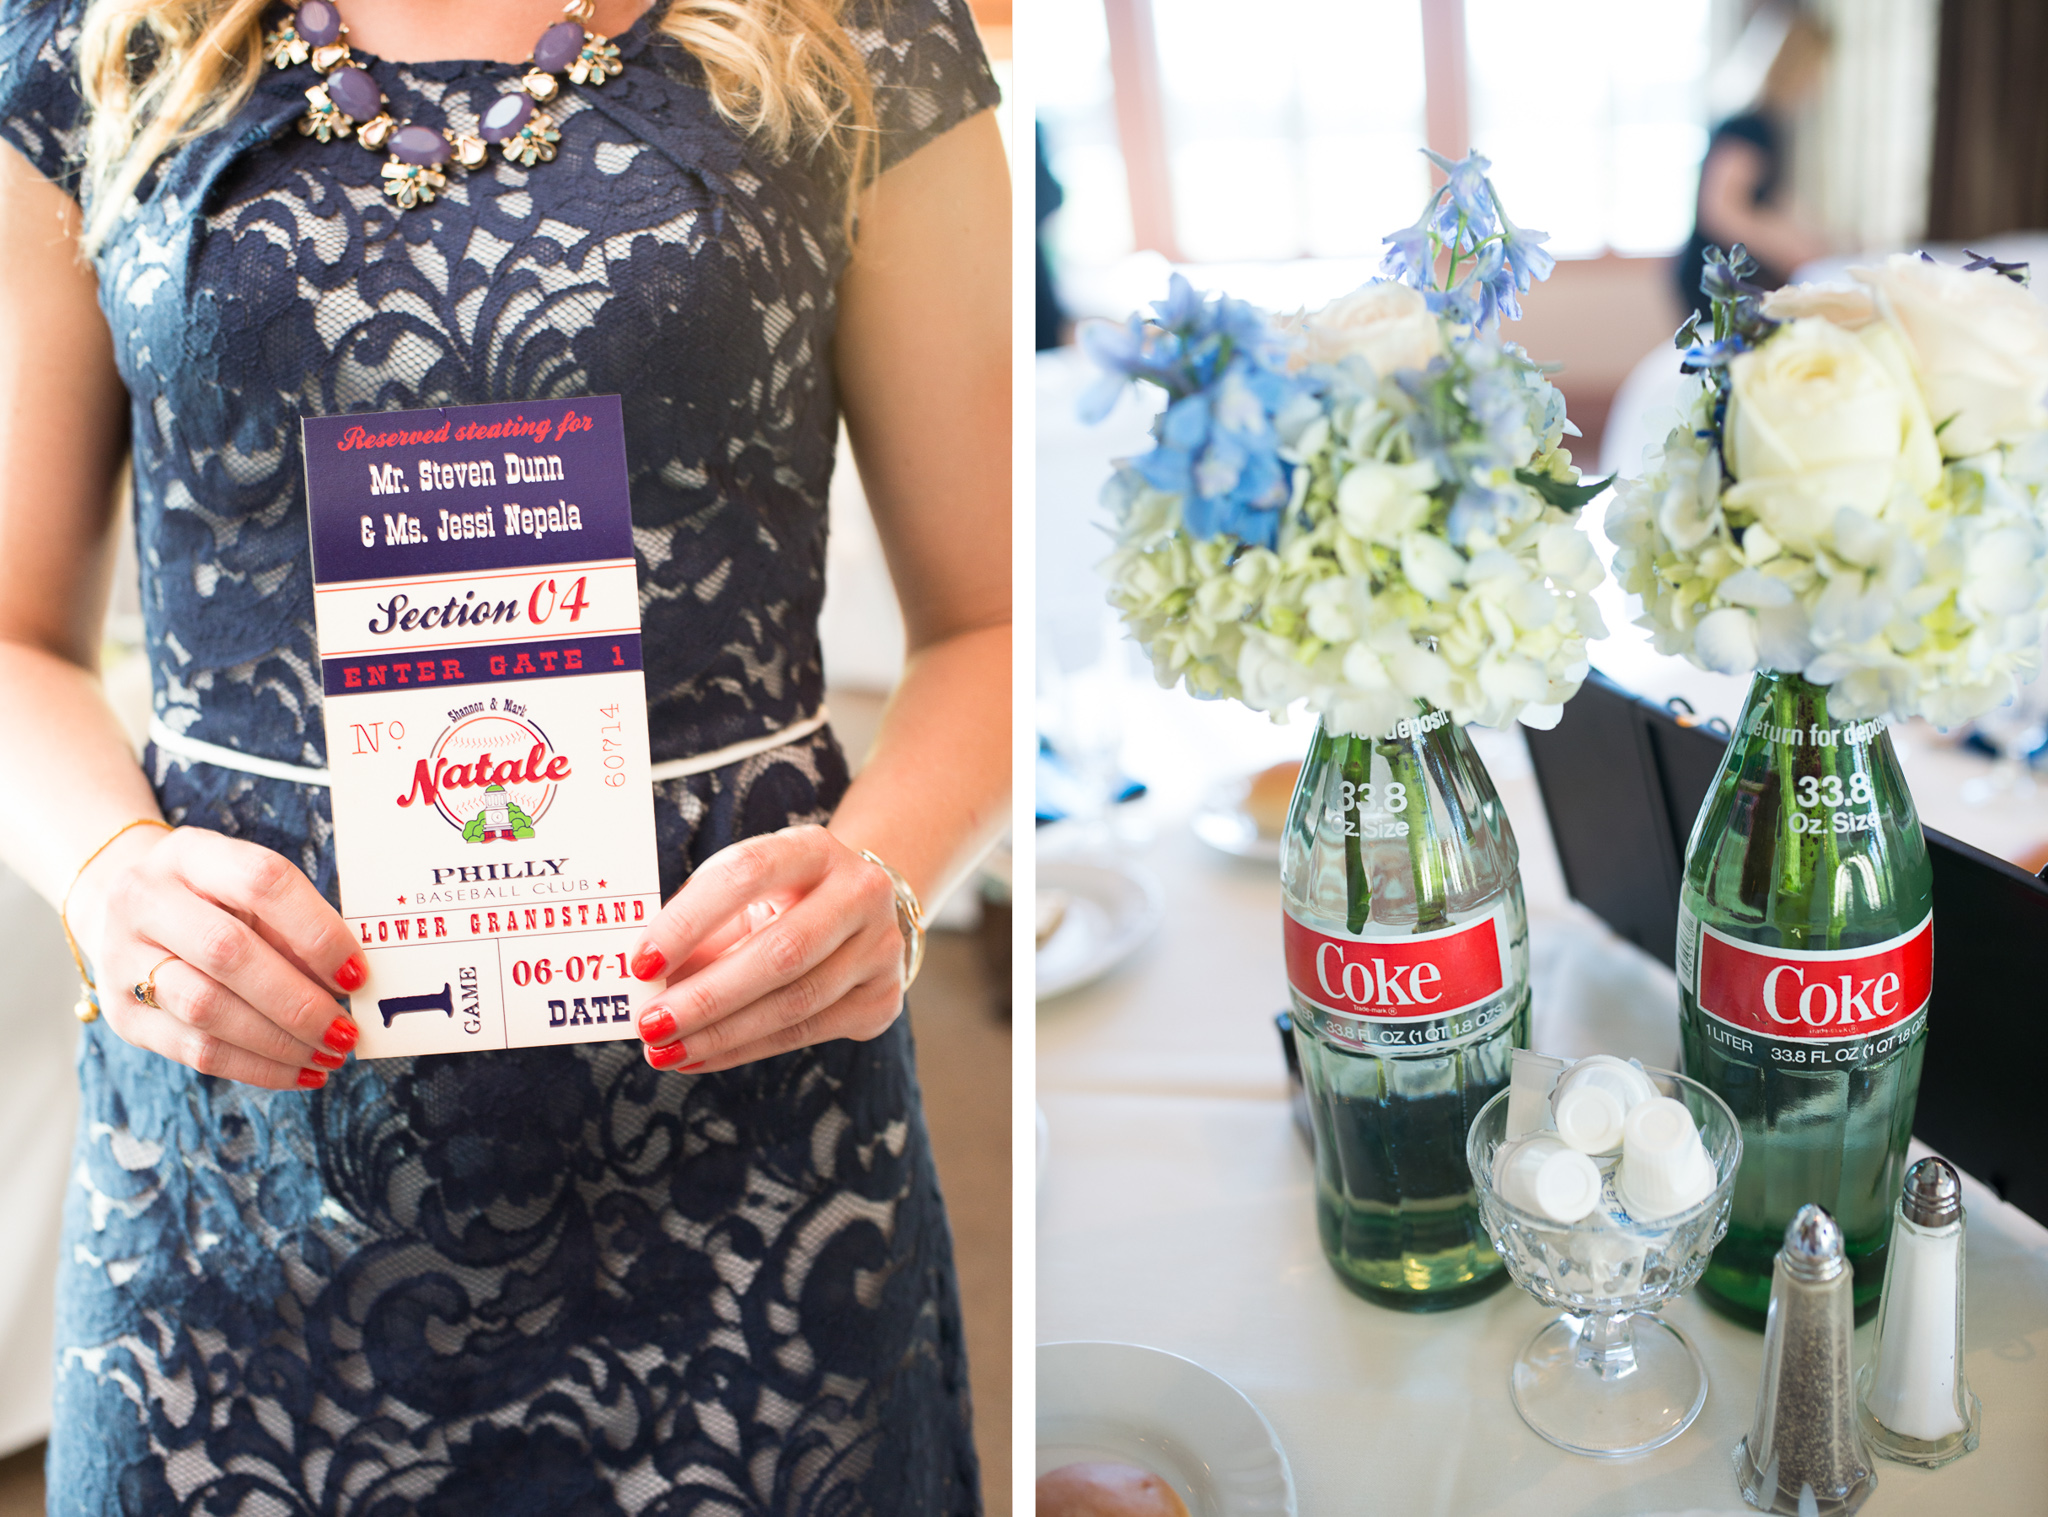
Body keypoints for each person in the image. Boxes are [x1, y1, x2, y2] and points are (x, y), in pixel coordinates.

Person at [0, 0, 1009, 1510]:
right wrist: (104, 876)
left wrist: (889, 872)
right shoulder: (83, 31)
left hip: (750, 1157)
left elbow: (994, 614)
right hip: (239, 1169)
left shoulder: (863, 26)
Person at [1675, 8, 1832, 323]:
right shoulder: (1751, 125)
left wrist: (1816, 239)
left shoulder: (1769, 123)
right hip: (1712, 275)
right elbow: (1722, 209)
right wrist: (1790, 251)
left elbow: (1769, 201)